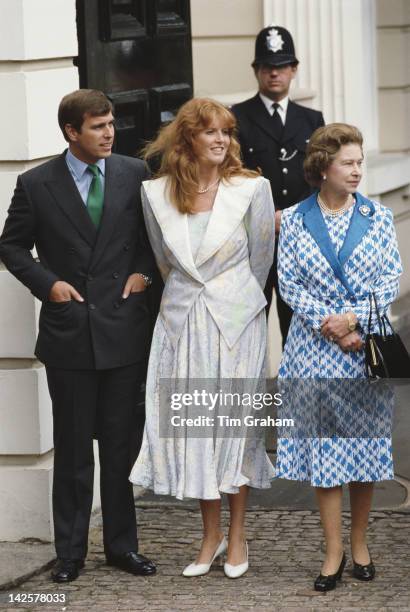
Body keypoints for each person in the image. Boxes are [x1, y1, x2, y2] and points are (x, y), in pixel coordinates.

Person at [0, 89, 157, 583]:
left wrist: (144, 274)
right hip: (70, 332)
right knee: (71, 449)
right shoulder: (36, 182)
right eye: (98, 126)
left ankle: (121, 547)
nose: (110, 133)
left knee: (119, 447)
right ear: (72, 132)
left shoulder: (136, 173)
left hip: (124, 328)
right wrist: (50, 285)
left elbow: (160, 238)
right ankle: (69, 552)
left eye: (111, 124)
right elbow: (11, 245)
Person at [129, 98, 275, 579]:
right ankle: (209, 537)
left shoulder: (252, 189)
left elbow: (260, 261)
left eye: (227, 132)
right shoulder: (155, 194)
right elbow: (165, 263)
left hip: (236, 323)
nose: (221, 140)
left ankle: (236, 537)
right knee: (197, 432)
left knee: (233, 433)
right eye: (211, 132)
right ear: (187, 138)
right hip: (182, 324)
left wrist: (234, 304)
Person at [276, 123, 402, 591]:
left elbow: (390, 280)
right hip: (314, 352)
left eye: (360, 162)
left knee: (364, 451)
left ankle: (361, 542)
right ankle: (332, 553)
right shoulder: (293, 219)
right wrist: (329, 324)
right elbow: (289, 285)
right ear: (323, 166)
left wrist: (353, 321)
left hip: (366, 351)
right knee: (327, 454)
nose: (357, 170)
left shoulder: (379, 217)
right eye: (347, 162)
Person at [231, 26, 324, 346]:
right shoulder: (237, 118)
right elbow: (232, 178)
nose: (274, 73)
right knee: (249, 332)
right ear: (256, 70)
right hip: (254, 242)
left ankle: (297, 398)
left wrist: (296, 217)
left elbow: (322, 180)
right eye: (267, 66)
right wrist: (262, 217)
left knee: (299, 334)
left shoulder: (313, 120)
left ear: (294, 70)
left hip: (300, 243)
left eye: (282, 66)